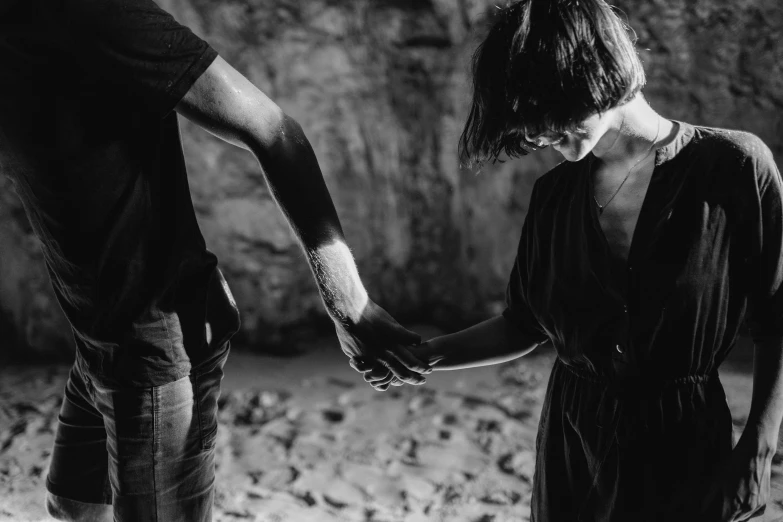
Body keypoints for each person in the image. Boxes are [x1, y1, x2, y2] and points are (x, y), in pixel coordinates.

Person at [0, 0, 432, 520]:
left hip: (155, 343)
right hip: (99, 339)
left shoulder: (92, 13)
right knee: (72, 506)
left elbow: (275, 131)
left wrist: (349, 306)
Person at [356, 1, 783, 520]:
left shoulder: (734, 167)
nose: (532, 132)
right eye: (521, 116)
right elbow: (525, 324)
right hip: (572, 442)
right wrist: (420, 356)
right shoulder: (553, 195)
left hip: (683, 443)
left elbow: (777, 318)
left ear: (596, 71)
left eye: (540, 107)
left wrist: (757, 452)